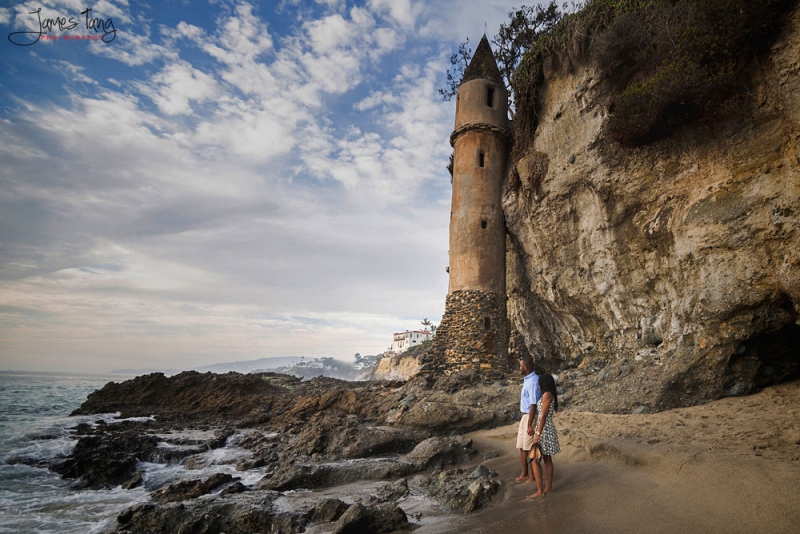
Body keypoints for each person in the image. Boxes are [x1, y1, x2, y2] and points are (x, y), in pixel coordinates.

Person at [527, 373, 561, 498]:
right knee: (546, 459)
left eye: (539, 384)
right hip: (545, 428)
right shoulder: (549, 395)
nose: (538, 386)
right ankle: (548, 488)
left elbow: (543, 416)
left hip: (544, 430)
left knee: (534, 460)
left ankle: (540, 491)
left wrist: (537, 433)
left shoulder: (547, 395)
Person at [515, 355, 540, 482]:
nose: (519, 368)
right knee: (521, 446)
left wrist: (530, 424)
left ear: (527, 367)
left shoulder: (533, 381)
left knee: (529, 447)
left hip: (530, 416)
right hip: (525, 416)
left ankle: (532, 475)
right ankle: (524, 473)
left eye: (521, 366)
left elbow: (533, 404)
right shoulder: (527, 379)